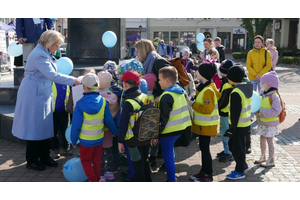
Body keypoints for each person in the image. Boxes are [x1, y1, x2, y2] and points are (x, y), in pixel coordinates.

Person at [12, 30, 81, 171]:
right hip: (33, 93)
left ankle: (44, 156)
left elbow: (52, 74)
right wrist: (74, 80)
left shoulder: (45, 53)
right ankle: (31, 159)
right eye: (56, 45)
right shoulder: (39, 54)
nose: (58, 48)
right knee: (34, 127)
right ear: (49, 42)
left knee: (44, 126)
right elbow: (53, 75)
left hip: (41, 91)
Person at [71, 73, 118, 182]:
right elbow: (109, 120)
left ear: (84, 87)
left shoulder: (79, 104)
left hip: (85, 141)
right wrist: (114, 131)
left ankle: (94, 180)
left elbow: (76, 125)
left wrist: (73, 140)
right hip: (98, 139)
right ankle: (97, 179)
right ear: (97, 87)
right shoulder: (103, 102)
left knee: (86, 161)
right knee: (97, 161)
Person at [152, 66, 192, 182]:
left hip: (168, 132)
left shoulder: (166, 96)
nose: (158, 82)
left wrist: (156, 134)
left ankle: (171, 180)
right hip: (181, 128)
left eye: (159, 79)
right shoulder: (180, 91)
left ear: (167, 80)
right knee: (171, 155)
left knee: (168, 157)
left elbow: (163, 119)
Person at [118, 70, 152, 182]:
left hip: (133, 140)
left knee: (137, 165)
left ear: (125, 84)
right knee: (145, 161)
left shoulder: (128, 102)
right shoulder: (145, 97)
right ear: (138, 84)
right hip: (146, 136)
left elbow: (123, 124)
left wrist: (120, 141)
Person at [189, 62, 221, 182]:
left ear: (203, 74)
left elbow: (207, 109)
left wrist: (193, 104)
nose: (196, 72)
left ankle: (208, 175)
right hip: (204, 126)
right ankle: (203, 171)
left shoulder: (208, 89)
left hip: (206, 126)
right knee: (203, 149)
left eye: (198, 71)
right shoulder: (205, 86)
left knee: (205, 150)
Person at [224, 64, 253, 180]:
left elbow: (235, 113)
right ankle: (243, 165)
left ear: (232, 78)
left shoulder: (236, 93)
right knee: (239, 148)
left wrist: (231, 129)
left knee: (237, 149)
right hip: (245, 124)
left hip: (238, 126)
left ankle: (239, 171)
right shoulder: (245, 88)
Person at [254, 71, 282, 167]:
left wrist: (263, 115)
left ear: (270, 84)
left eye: (263, 82)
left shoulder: (274, 96)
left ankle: (271, 159)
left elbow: (277, 110)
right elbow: (259, 105)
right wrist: (256, 112)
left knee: (270, 141)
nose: (261, 84)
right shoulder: (262, 93)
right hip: (263, 122)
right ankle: (263, 156)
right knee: (262, 138)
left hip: (270, 123)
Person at [97, 71, 120, 182]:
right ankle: (110, 172)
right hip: (109, 129)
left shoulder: (97, 95)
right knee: (109, 151)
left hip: (98, 128)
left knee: (100, 153)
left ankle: (101, 175)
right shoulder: (112, 95)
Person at [216, 60, 234, 162]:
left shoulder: (227, 84)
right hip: (225, 113)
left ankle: (228, 152)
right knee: (223, 132)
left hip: (226, 113)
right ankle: (226, 150)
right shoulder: (226, 81)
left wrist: (217, 107)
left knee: (225, 133)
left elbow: (224, 100)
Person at [51, 82, 73, 159]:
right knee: (54, 131)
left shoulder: (67, 82)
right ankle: (55, 149)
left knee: (65, 129)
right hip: (52, 112)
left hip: (64, 111)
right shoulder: (51, 82)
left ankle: (67, 148)